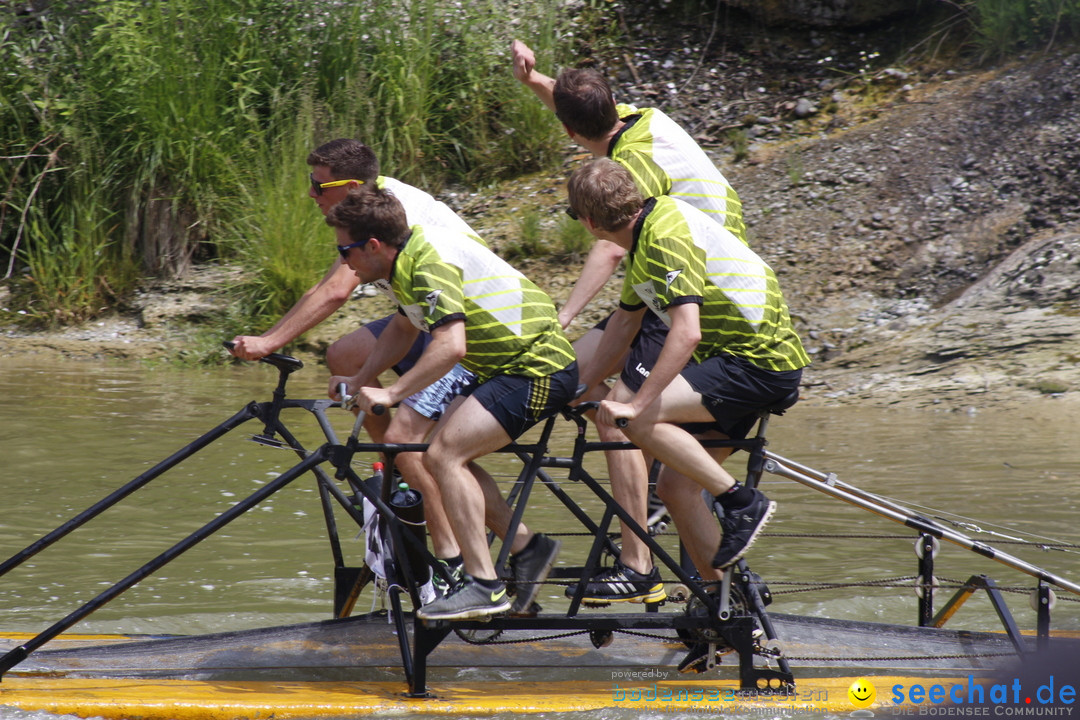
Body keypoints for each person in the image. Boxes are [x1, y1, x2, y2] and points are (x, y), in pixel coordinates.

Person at [228, 139, 549, 608]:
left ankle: (451, 557)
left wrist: (271, 343)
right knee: (345, 356)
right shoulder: (368, 207)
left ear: (352, 186)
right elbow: (366, 304)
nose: (311, 195)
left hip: (473, 330)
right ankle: (412, 481)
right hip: (432, 318)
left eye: (318, 186)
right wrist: (284, 342)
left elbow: (337, 291)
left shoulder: (389, 217)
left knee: (406, 436)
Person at [512, 39, 749, 602]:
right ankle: (659, 482)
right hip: (687, 274)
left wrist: (564, 314)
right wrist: (537, 81)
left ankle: (638, 564)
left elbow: (616, 247)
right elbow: (581, 109)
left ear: (572, 134)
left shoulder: (631, 167)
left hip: (699, 291)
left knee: (614, 415)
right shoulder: (638, 118)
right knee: (578, 378)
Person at [326, 187, 578, 620]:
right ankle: (529, 548)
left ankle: (484, 586)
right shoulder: (405, 261)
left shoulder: (426, 262)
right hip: (505, 365)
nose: (343, 262)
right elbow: (404, 330)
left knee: (443, 455)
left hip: (537, 366)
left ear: (372, 246)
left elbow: (451, 346)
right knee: (433, 453)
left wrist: (391, 393)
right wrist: (362, 378)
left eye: (345, 251)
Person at [567, 158, 809, 582]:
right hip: (740, 359)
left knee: (636, 418)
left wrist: (636, 404)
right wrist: (578, 385)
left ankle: (740, 502)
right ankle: (724, 608)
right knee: (675, 489)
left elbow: (686, 333)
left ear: (589, 223)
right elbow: (625, 322)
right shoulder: (648, 232)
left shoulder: (663, 238)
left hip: (757, 363)